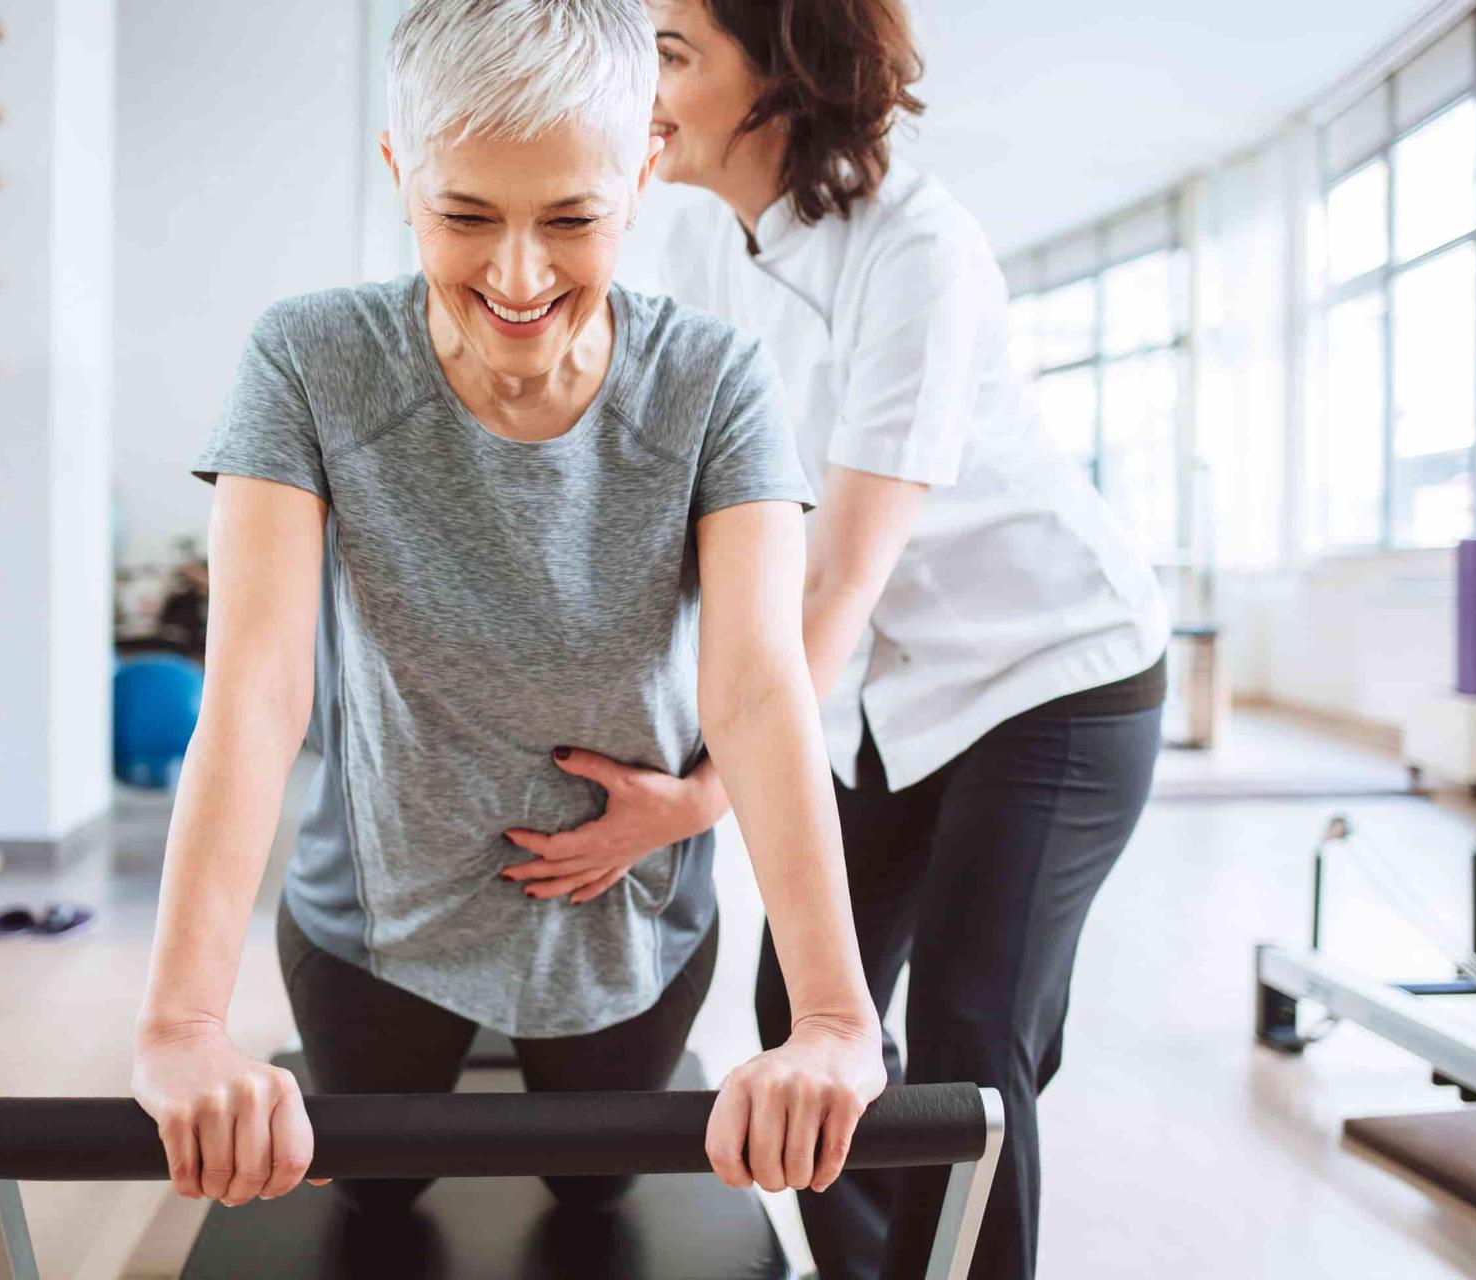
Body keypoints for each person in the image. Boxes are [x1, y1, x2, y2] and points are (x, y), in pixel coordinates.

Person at [129, 0, 886, 1224]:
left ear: (644, 170)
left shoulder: (714, 382)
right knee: (382, 1200)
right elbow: (257, 695)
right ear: (401, 174)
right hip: (375, 918)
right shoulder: (309, 361)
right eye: (466, 215)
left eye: (573, 218)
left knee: (596, 1198)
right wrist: (182, 1023)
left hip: (627, 919)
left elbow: (755, 692)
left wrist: (837, 1018)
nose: (520, 275)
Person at [500, 1, 1169, 1275]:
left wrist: (696, 799)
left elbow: (839, 579)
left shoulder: (920, 249)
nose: (638, 81)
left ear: (786, 69)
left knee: (974, 1031)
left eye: (675, 54)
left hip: (1053, 679)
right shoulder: (703, 246)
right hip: (886, 694)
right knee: (799, 1014)